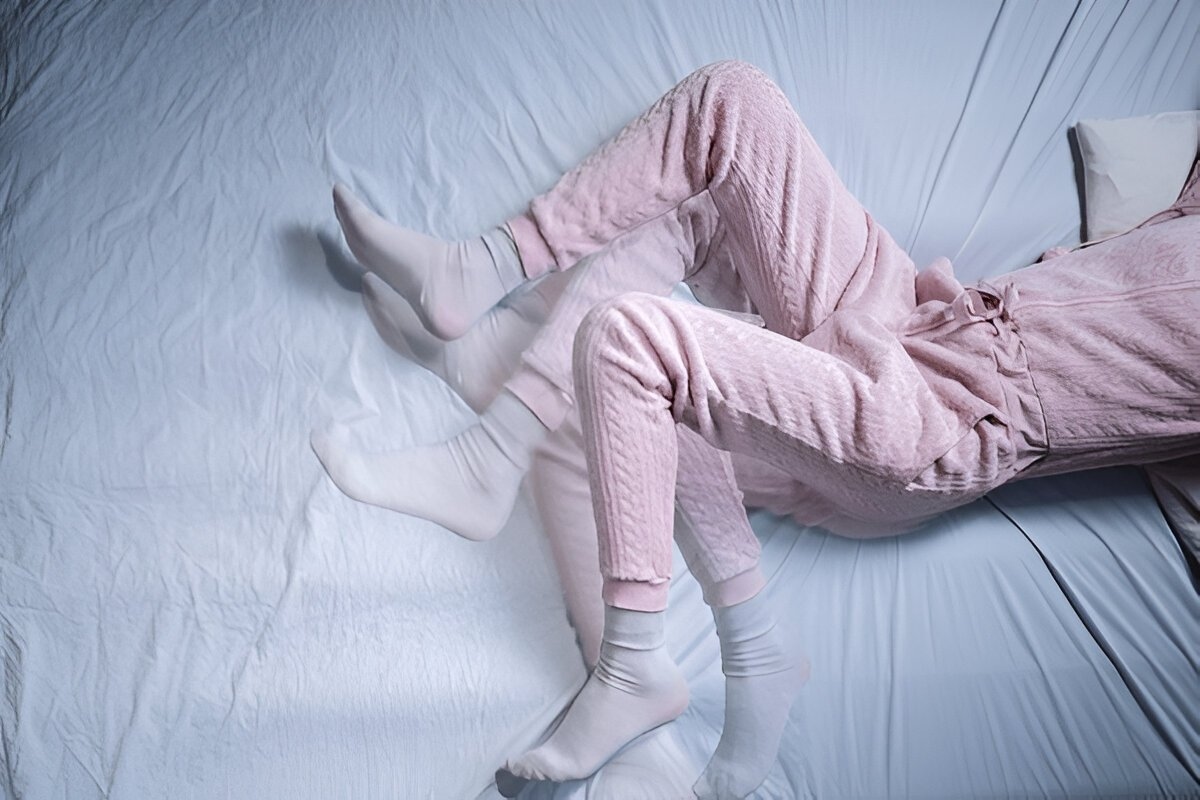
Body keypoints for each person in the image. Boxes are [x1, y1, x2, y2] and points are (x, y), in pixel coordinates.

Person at [312, 60, 1200, 798]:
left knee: (632, 344)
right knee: (730, 109)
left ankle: (637, 666)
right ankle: (484, 312)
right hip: (925, 312)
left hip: (944, 422)